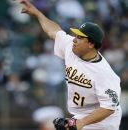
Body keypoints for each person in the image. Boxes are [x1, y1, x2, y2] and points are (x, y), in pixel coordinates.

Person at [18, 0, 122, 130]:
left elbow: (109, 108)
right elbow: (54, 31)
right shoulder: (71, 48)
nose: (74, 39)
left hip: (104, 122)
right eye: (75, 35)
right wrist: (38, 14)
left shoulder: (104, 73)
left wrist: (81, 123)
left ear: (91, 44)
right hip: (81, 116)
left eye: (80, 37)